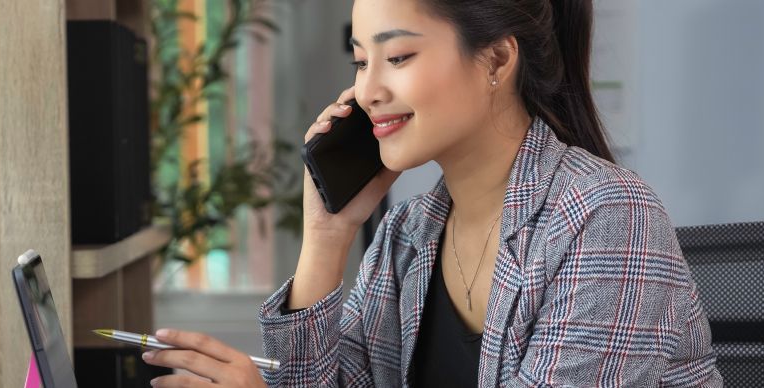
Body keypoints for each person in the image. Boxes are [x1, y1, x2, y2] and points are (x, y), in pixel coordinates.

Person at [140, 0, 723, 386]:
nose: (366, 91)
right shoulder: (408, 234)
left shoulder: (606, 217)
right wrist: (326, 236)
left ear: (496, 58)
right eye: (360, 61)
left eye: (397, 57)